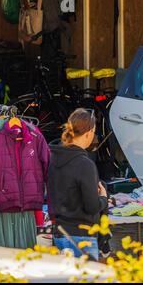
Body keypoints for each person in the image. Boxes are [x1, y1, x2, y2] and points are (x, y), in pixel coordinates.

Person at [48, 108, 109, 260]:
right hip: (82, 237)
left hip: (58, 234)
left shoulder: (52, 158)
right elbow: (92, 206)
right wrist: (103, 197)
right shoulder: (85, 164)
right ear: (89, 133)